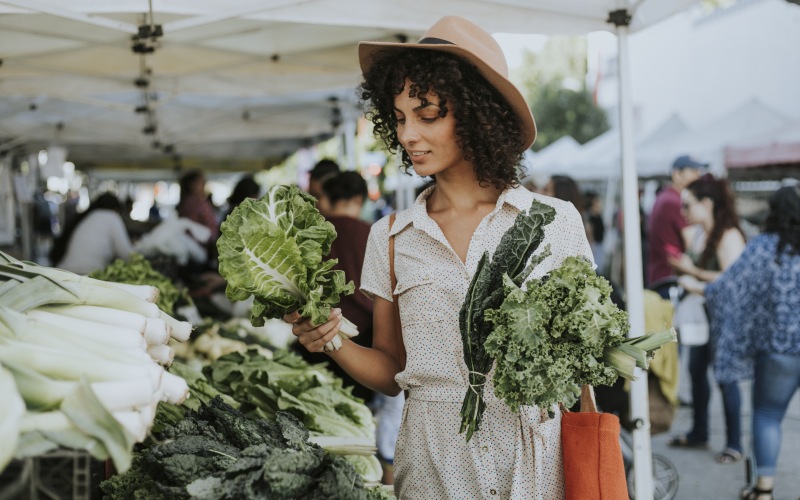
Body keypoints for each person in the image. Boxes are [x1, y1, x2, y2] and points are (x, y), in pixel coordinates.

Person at [285, 16, 592, 498]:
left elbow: (585, 357)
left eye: (427, 116)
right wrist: (331, 340)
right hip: (432, 467)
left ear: (477, 114)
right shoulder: (391, 235)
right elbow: (390, 369)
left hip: (534, 466)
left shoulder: (558, 222)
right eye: (400, 117)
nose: (408, 135)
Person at [682, 183, 800, 500]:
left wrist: (695, 286)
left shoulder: (763, 247)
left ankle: (763, 491)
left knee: (767, 417)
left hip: (777, 351)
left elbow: (729, 286)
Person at [666, 174, 746, 465]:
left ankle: (734, 443)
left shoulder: (729, 235)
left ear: (707, 203)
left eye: (688, 205)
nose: (683, 212)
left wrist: (695, 276)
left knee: (726, 377)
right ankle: (700, 431)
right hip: (702, 313)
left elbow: (733, 279)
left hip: (726, 316)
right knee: (697, 370)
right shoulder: (701, 234)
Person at [646, 155, 706, 298]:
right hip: (670, 280)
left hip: (661, 277)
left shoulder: (664, 197)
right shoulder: (675, 202)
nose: (698, 176)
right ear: (677, 174)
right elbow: (693, 244)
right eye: (693, 171)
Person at [50, 192, 133, 275]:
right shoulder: (112, 217)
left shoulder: (89, 216)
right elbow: (127, 255)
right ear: (116, 209)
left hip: (64, 272)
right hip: (84, 274)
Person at [176, 169, 219, 264]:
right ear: (192, 185)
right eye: (201, 183)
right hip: (200, 252)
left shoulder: (187, 203)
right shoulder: (195, 204)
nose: (204, 186)